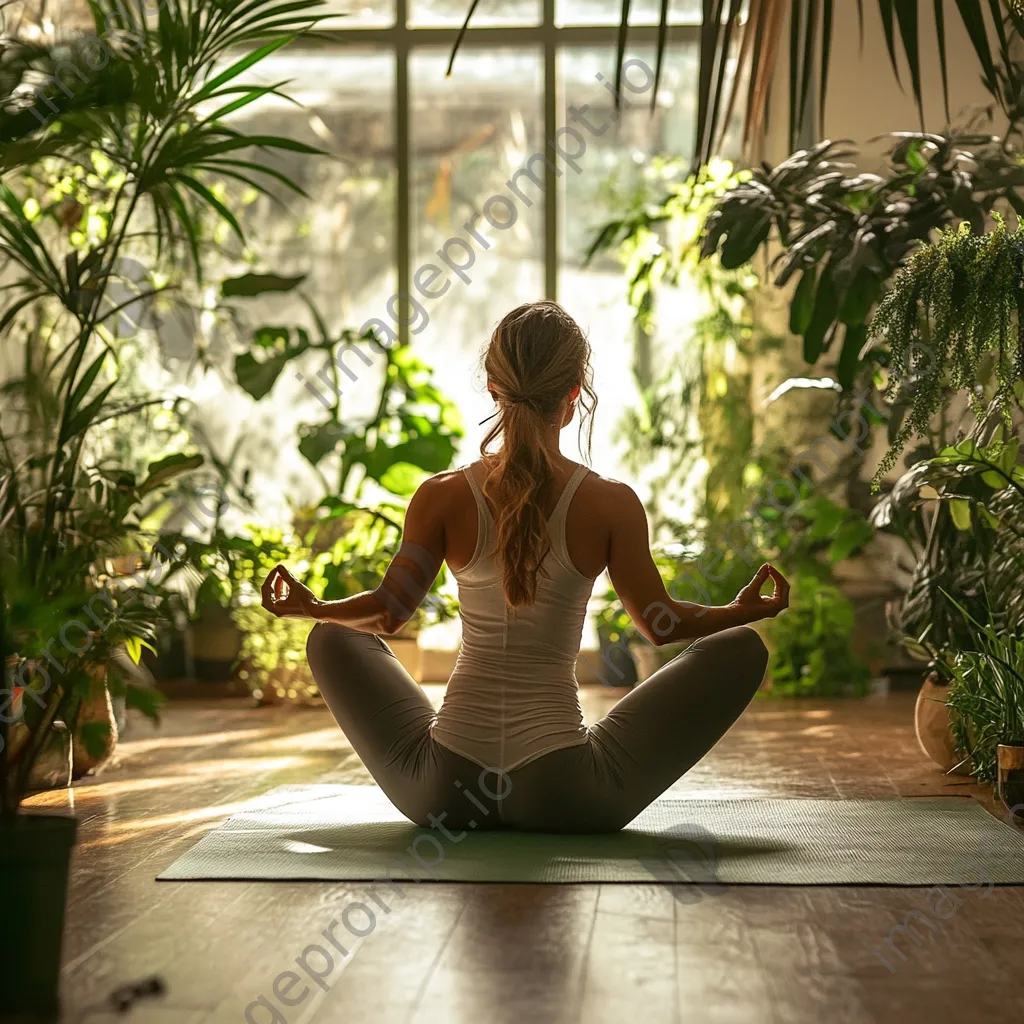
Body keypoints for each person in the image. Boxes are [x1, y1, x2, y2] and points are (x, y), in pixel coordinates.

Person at [261, 300, 788, 834]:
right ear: (574, 395)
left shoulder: (440, 497)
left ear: (493, 386)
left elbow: (388, 613)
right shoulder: (610, 504)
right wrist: (738, 611)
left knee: (332, 637)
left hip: (442, 793)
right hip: (566, 795)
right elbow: (662, 626)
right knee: (739, 647)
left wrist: (314, 608)